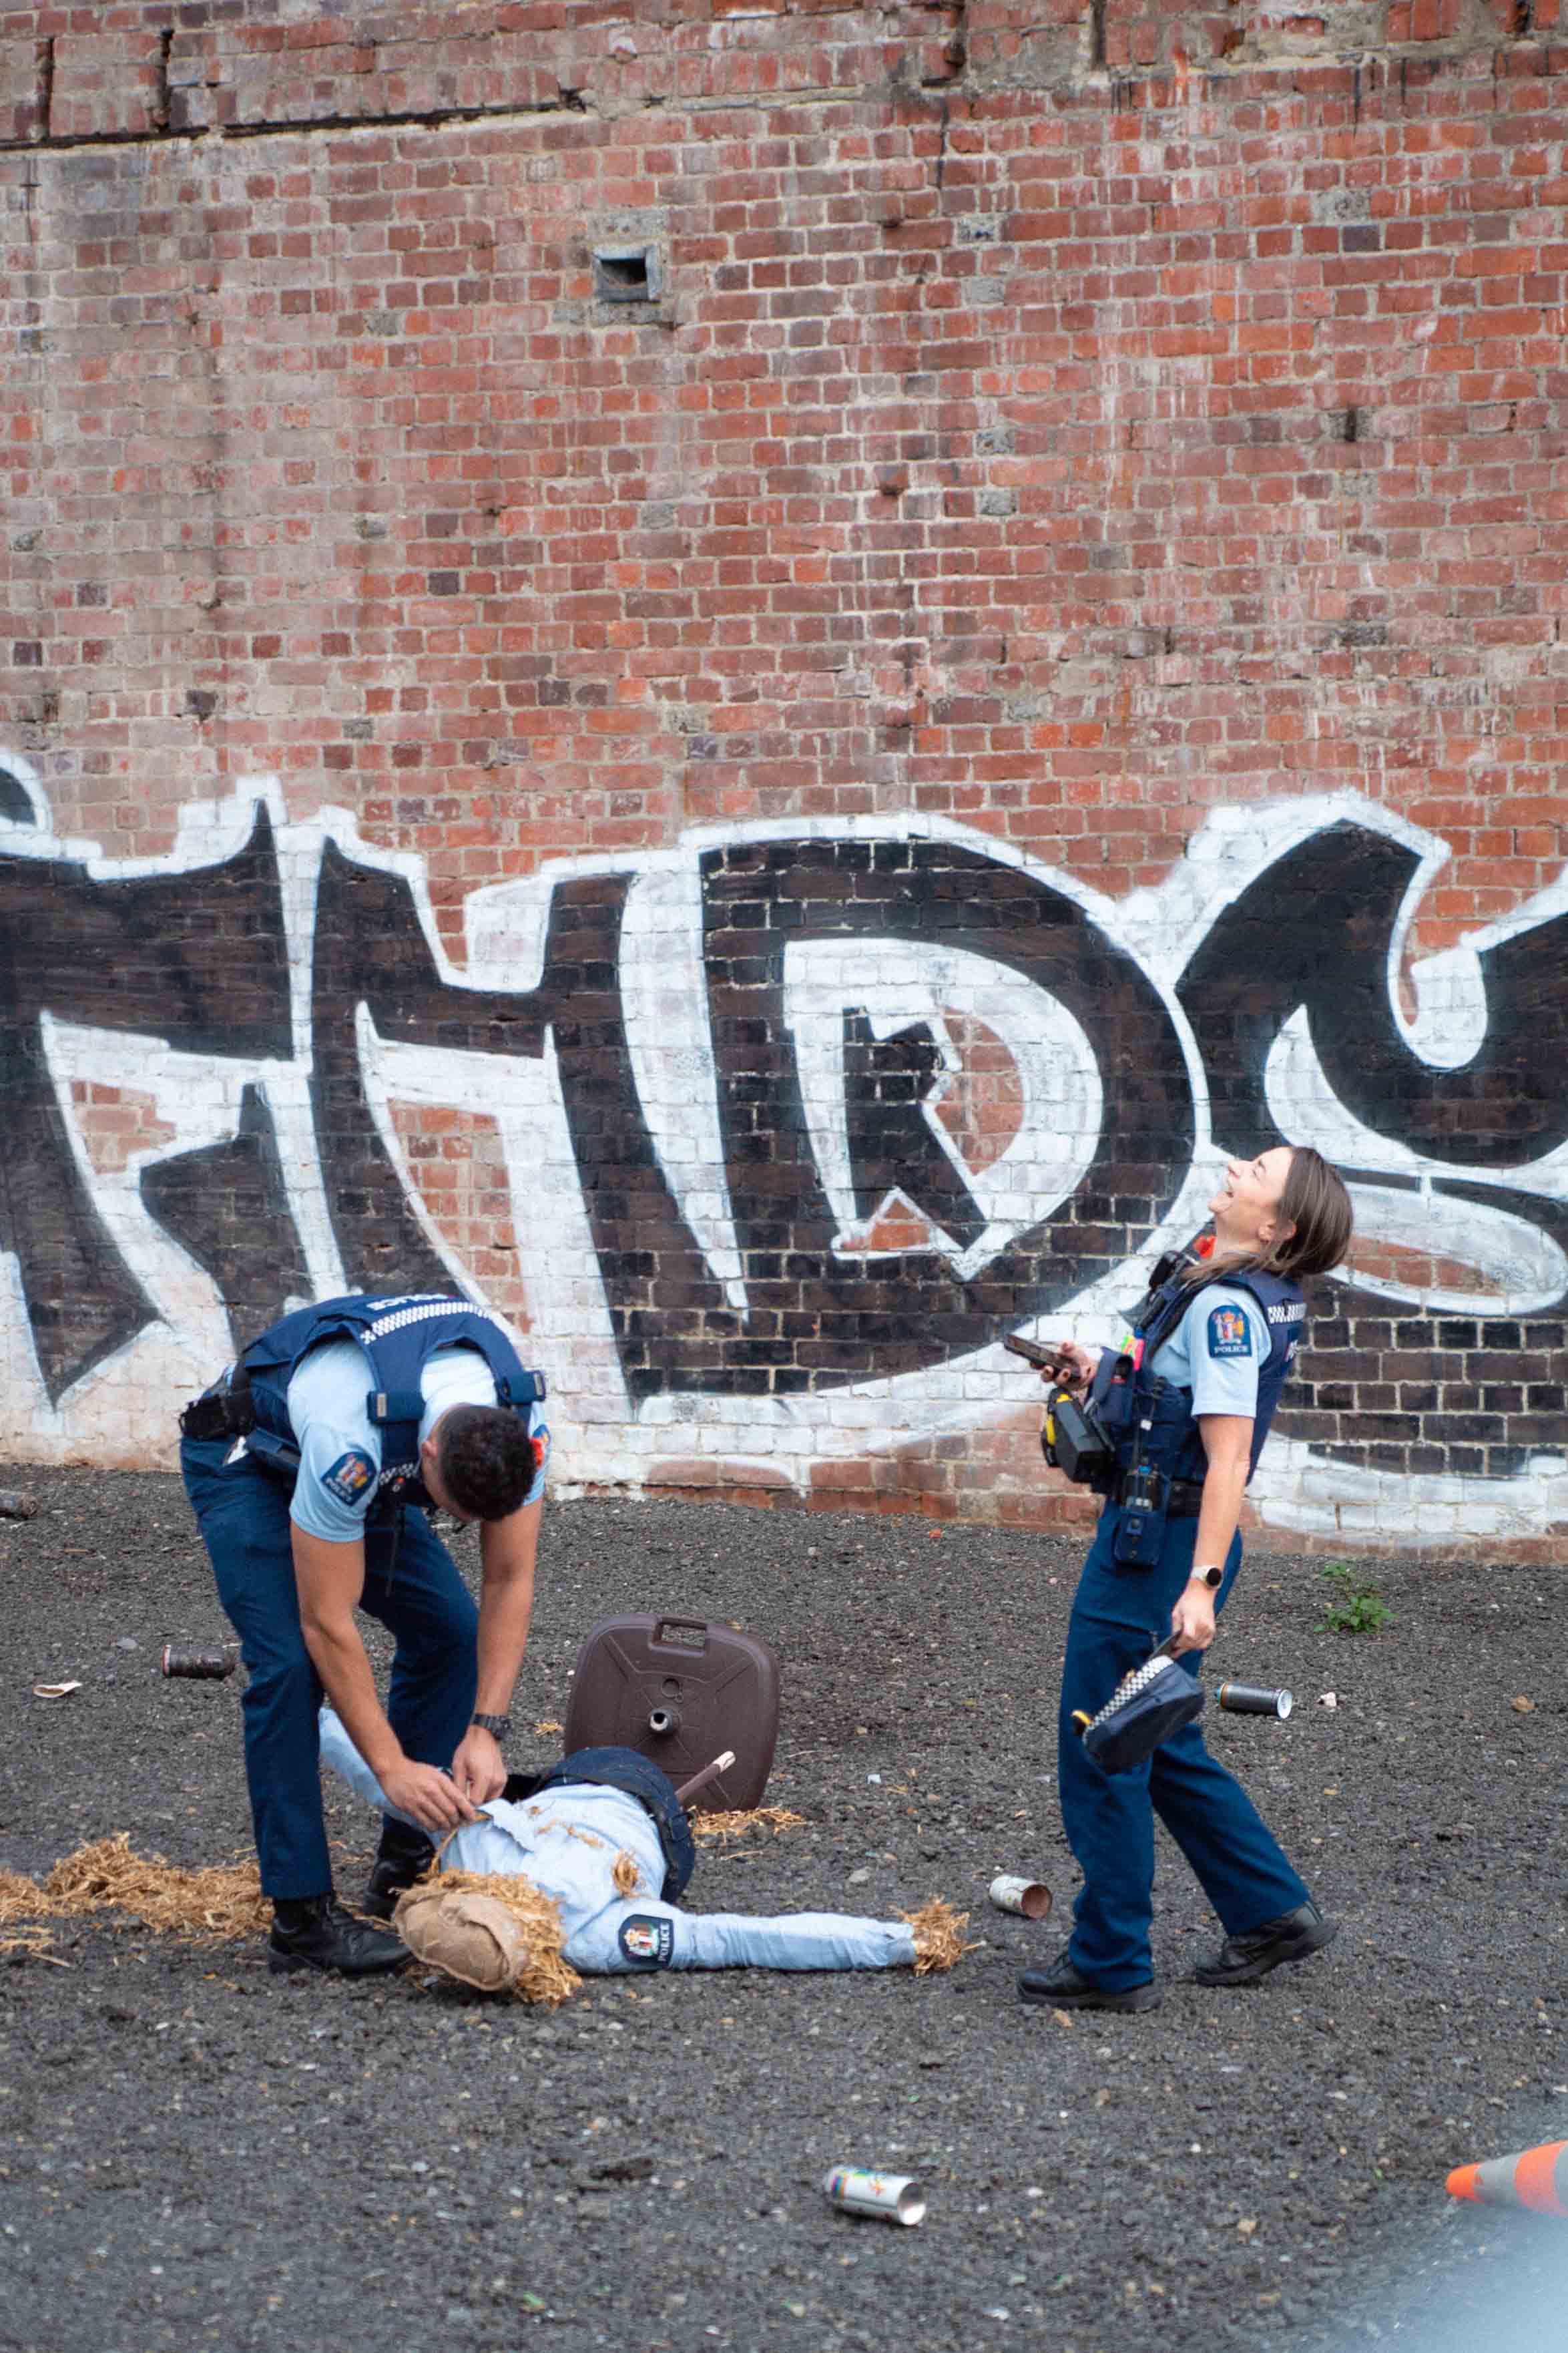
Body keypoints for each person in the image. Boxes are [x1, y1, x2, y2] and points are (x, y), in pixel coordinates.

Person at [1017, 1146, 1354, 2014]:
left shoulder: (1228, 1308)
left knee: (1103, 1744)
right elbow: (1171, 1400)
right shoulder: (1224, 1288)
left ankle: (1110, 1960)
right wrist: (1097, 1378)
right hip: (1162, 1536)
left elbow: (1228, 1454)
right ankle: (1271, 1910)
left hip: (1159, 1550)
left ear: (1276, 1224)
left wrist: (1198, 1585)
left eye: (1258, 1172)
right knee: (1157, 1737)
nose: (1238, 1168)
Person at [178, 1291, 549, 1977]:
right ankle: (301, 1920)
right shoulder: (349, 1436)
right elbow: (329, 1622)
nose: (461, 1527)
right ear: (430, 1450)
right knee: (290, 1666)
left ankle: (403, 1861)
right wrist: (389, 1765)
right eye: (452, 1510)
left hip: (380, 1472)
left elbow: (510, 1579)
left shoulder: (518, 1417)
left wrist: (485, 1726)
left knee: (450, 1630)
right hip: (248, 1458)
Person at [316, 1709, 962, 1986]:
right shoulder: (472, 1849)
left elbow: (742, 1938)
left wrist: (901, 1941)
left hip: (650, 1818)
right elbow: (375, 1772)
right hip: (578, 1779)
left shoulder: (593, 1944)